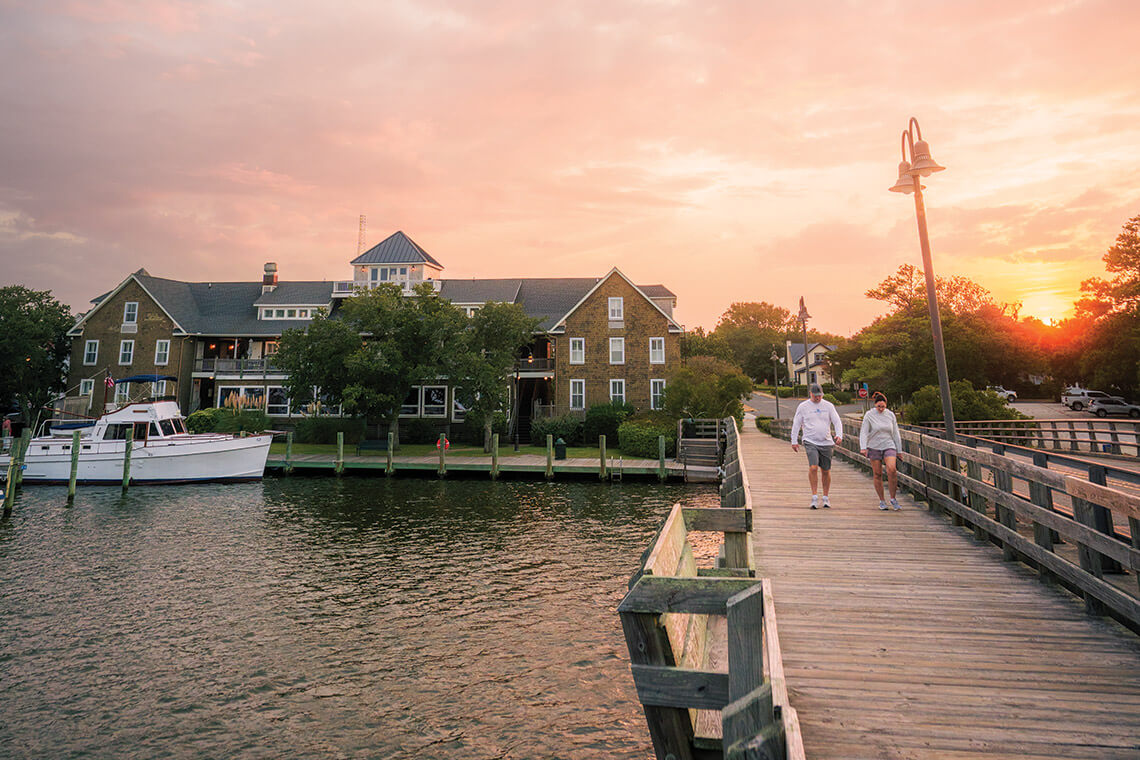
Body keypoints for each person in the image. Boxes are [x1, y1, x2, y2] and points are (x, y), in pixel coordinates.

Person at [790, 383, 843, 509]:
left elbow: (836, 421)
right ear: (810, 394)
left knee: (825, 470)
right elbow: (796, 423)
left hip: (826, 441)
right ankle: (814, 496)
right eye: (815, 396)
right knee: (813, 467)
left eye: (820, 396)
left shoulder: (828, 406)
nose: (818, 398)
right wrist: (794, 440)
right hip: (810, 440)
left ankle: (825, 497)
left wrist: (839, 435)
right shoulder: (803, 406)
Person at [859, 391, 902, 511]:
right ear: (875, 405)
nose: (881, 409)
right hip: (874, 446)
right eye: (879, 406)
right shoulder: (869, 415)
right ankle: (882, 501)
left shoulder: (890, 415)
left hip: (889, 444)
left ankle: (893, 498)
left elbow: (895, 432)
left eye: (883, 406)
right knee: (877, 473)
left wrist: (899, 450)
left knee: (891, 469)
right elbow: (864, 432)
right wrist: (863, 447)